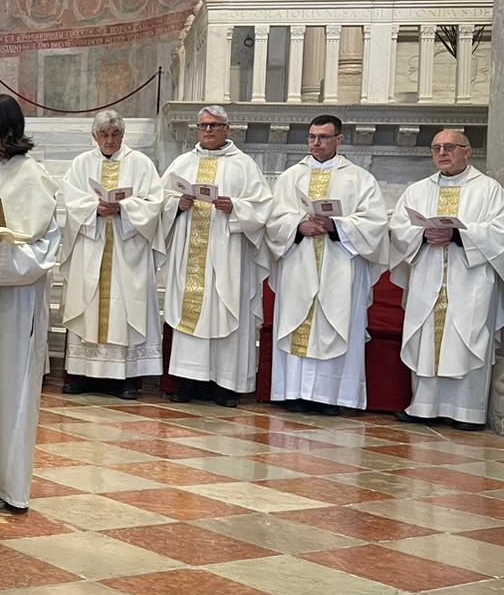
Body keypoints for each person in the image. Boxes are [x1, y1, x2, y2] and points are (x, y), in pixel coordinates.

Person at [0, 93, 61, 513]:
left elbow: (45, 245)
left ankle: (4, 483)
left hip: (13, 297)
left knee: (7, 386)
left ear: (9, 127)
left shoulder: (32, 176)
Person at [265, 115, 389, 415]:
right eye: (311, 137)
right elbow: (273, 220)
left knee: (338, 322)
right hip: (299, 263)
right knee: (298, 319)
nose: (316, 143)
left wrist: (336, 227)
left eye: (323, 137)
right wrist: (297, 226)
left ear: (339, 140)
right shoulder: (291, 177)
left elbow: (375, 223)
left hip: (340, 266)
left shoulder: (359, 178)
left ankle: (332, 397)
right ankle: (293, 392)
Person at [387, 130, 504, 430]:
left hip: (471, 281)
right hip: (428, 277)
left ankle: (467, 412)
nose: (442, 153)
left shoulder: (489, 190)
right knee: (427, 338)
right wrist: (422, 234)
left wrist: (458, 235)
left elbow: (499, 232)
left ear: (467, 151)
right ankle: (423, 406)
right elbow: (399, 229)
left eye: (450, 147)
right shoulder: (418, 191)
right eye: (437, 148)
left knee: (466, 338)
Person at [160, 105, 273, 406]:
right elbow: (161, 201)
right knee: (190, 315)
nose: (208, 131)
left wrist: (235, 207)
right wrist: (177, 205)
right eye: (203, 126)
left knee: (226, 309)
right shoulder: (182, 163)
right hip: (189, 256)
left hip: (228, 256)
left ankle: (226, 386)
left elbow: (263, 207)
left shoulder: (244, 166)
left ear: (227, 129)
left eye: (214, 126)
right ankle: (187, 384)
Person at [58, 109, 163, 400]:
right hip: (90, 246)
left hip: (126, 249)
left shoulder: (141, 164)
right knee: (87, 303)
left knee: (124, 306)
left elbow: (154, 202)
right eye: (104, 134)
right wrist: (94, 208)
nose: (110, 139)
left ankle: (126, 377)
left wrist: (124, 208)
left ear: (123, 134)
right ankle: (81, 373)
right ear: (95, 136)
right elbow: (70, 198)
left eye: (115, 134)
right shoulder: (81, 163)